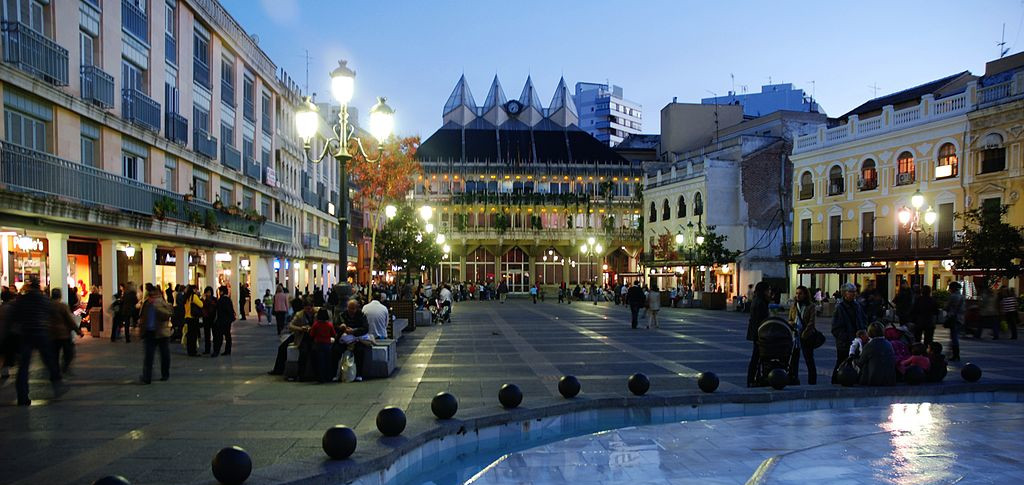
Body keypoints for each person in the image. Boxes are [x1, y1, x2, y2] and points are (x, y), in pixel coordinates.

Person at [831, 283, 867, 384]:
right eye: (851, 292)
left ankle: (850, 379)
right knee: (841, 361)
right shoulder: (840, 307)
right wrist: (845, 337)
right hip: (845, 342)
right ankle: (835, 380)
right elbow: (835, 328)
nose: (853, 294)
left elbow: (863, 320)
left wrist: (863, 331)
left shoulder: (857, 306)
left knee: (855, 362)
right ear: (844, 293)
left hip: (856, 340)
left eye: (854, 292)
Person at [139, 286, 172, 384]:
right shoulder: (146, 303)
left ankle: (165, 374)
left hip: (162, 333)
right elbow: (142, 317)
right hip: (150, 332)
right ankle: (147, 377)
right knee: (149, 356)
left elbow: (168, 314)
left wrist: (157, 308)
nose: (151, 297)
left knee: (164, 355)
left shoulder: (162, 302)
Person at [788, 285, 818, 385]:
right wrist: (791, 323)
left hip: (806, 336)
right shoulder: (794, 306)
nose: (798, 295)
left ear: (805, 294)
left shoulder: (811, 306)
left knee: (809, 360)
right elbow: (790, 319)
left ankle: (812, 381)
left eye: (800, 293)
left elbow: (811, 322)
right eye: (797, 293)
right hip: (795, 336)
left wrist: (804, 334)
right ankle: (793, 379)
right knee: (793, 360)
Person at [50, 289, 84, 376]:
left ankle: (55, 372)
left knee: (54, 354)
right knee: (69, 353)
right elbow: (70, 320)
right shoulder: (62, 306)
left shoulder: (47, 306)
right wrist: (78, 331)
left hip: (51, 334)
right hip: (63, 334)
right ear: (60, 296)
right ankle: (64, 367)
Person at [745, 281, 771, 387]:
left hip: (756, 333)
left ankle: (753, 378)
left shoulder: (757, 300)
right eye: (768, 290)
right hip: (760, 334)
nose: (769, 292)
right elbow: (761, 320)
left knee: (756, 357)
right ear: (764, 291)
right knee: (757, 357)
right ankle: (754, 378)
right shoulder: (760, 303)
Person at [309, 309, 336, 383]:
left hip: (318, 345)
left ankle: (320, 378)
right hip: (327, 345)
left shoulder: (316, 324)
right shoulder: (329, 324)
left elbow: (311, 335)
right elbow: (333, 334)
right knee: (328, 362)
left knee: (320, 362)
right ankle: (328, 377)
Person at [212, 286, 235, 357]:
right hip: (227, 320)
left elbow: (219, 310)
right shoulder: (228, 299)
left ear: (221, 292)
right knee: (227, 335)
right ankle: (227, 350)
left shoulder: (221, 300)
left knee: (219, 336)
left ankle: (217, 351)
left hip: (222, 320)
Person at [945, 281, 965, 361]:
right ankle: (955, 354)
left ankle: (955, 354)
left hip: (953, 318)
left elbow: (946, 307)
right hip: (960, 318)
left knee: (954, 337)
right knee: (955, 336)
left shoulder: (952, 296)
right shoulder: (961, 296)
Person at [182, 285, 203, 356]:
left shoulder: (186, 297)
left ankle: (189, 350)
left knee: (189, 335)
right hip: (193, 317)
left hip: (187, 317)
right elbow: (201, 305)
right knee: (193, 335)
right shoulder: (194, 297)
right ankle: (193, 351)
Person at [201, 286, 216, 354]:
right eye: (207, 292)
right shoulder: (203, 299)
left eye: (209, 292)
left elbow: (215, 306)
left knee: (215, 334)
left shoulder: (214, 299)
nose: (208, 294)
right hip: (206, 318)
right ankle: (207, 349)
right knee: (207, 335)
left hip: (213, 318)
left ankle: (215, 349)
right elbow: (201, 306)